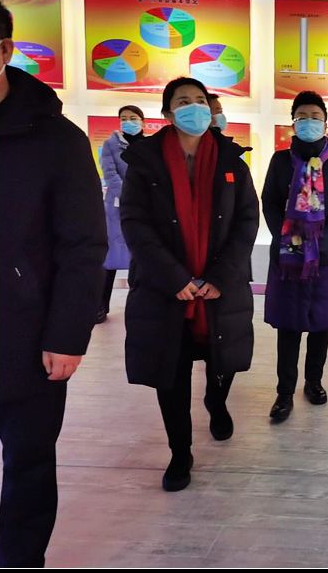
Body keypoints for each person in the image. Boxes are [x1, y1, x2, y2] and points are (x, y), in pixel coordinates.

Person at [0, 1, 106, 567]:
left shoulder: (57, 139)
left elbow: (83, 244)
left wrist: (67, 334)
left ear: (4, 51)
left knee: (29, 462)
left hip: (24, 332)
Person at [121, 76, 258, 491]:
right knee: (171, 375)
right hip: (166, 291)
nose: (194, 107)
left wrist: (219, 277)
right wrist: (173, 278)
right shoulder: (145, 162)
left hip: (220, 289)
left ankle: (216, 402)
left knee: (223, 361)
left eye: (200, 100)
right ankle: (180, 452)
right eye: (183, 101)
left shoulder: (232, 160)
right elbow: (134, 222)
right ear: (168, 113)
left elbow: (246, 221)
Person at [263, 90, 328, 419]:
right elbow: (269, 202)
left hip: (326, 256)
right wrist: (286, 236)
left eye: (316, 117)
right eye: (302, 117)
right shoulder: (280, 161)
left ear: (326, 123)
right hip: (288, 256)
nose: (309, 122)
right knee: (288, 327)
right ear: (293, 122)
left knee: (321, 324)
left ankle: (314, 382)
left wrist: (325, 238)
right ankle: (284, 392)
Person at [97, 105, 146, 324]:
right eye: (124, 118)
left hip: (145, 206)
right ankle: (100, 305)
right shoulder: (111, 144)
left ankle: (141, 305)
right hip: (118, 206)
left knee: (143, 255)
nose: (128, 121)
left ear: (142, 121)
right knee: (111, 256)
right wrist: (128, 195)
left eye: (132, 117)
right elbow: (109, 173)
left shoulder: (149, 145)